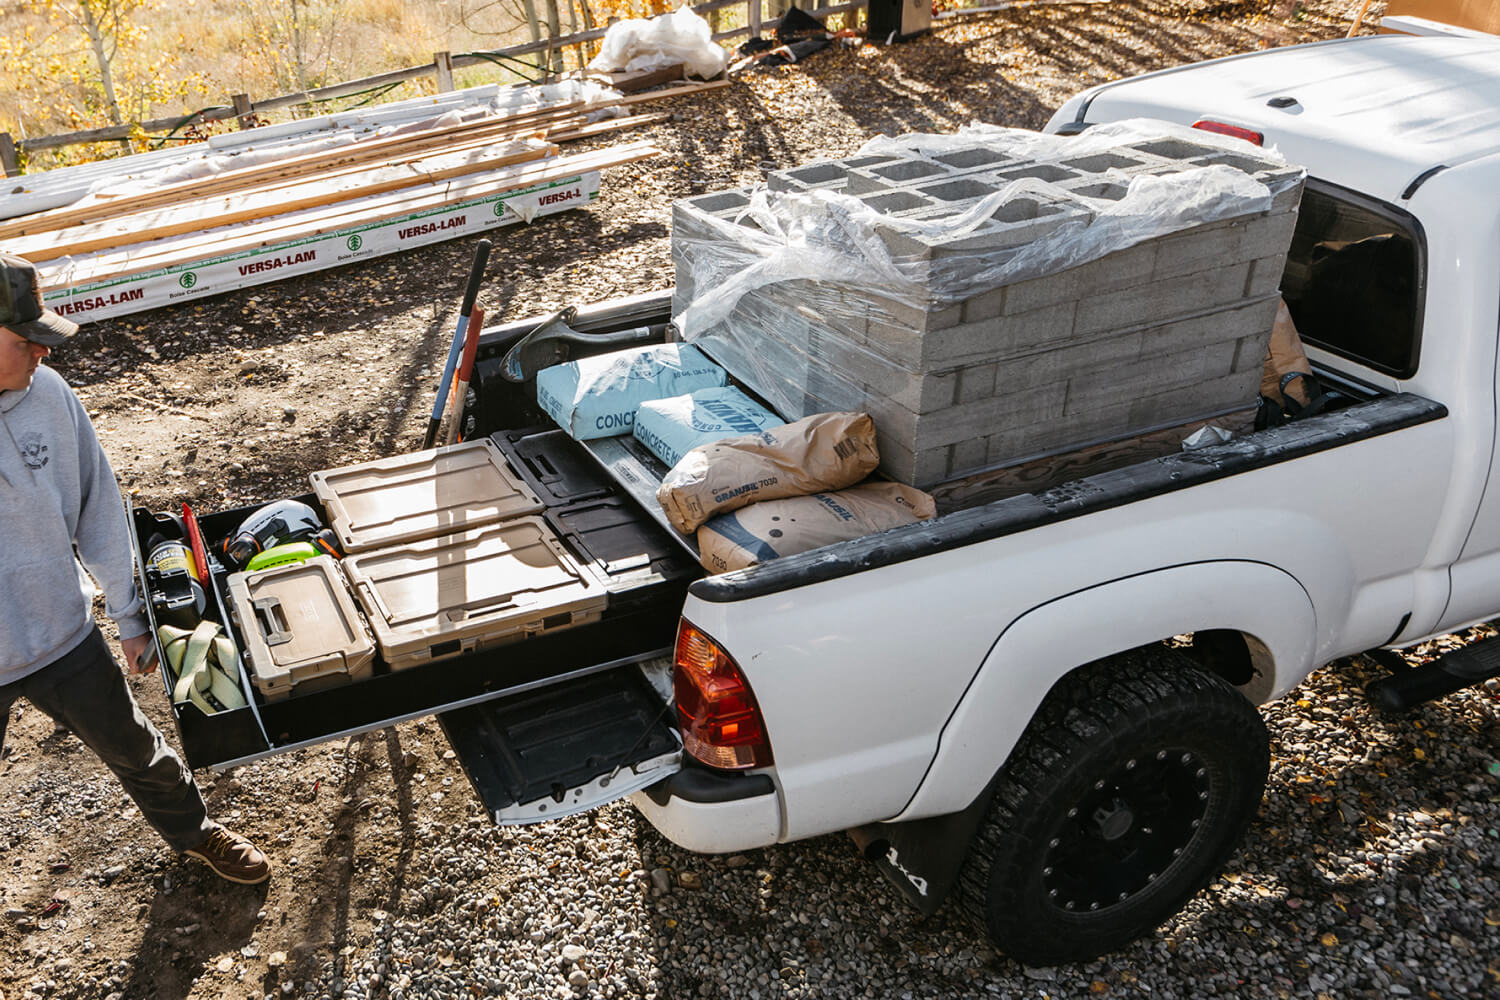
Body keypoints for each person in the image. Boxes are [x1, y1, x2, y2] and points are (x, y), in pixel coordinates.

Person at [0, 253, 270, 885]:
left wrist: (129, 613)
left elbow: (96, 506)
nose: (44, 354)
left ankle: (194, 831)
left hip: (61, 634)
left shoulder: (50, 397)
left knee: (135, 748)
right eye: (26, 340)